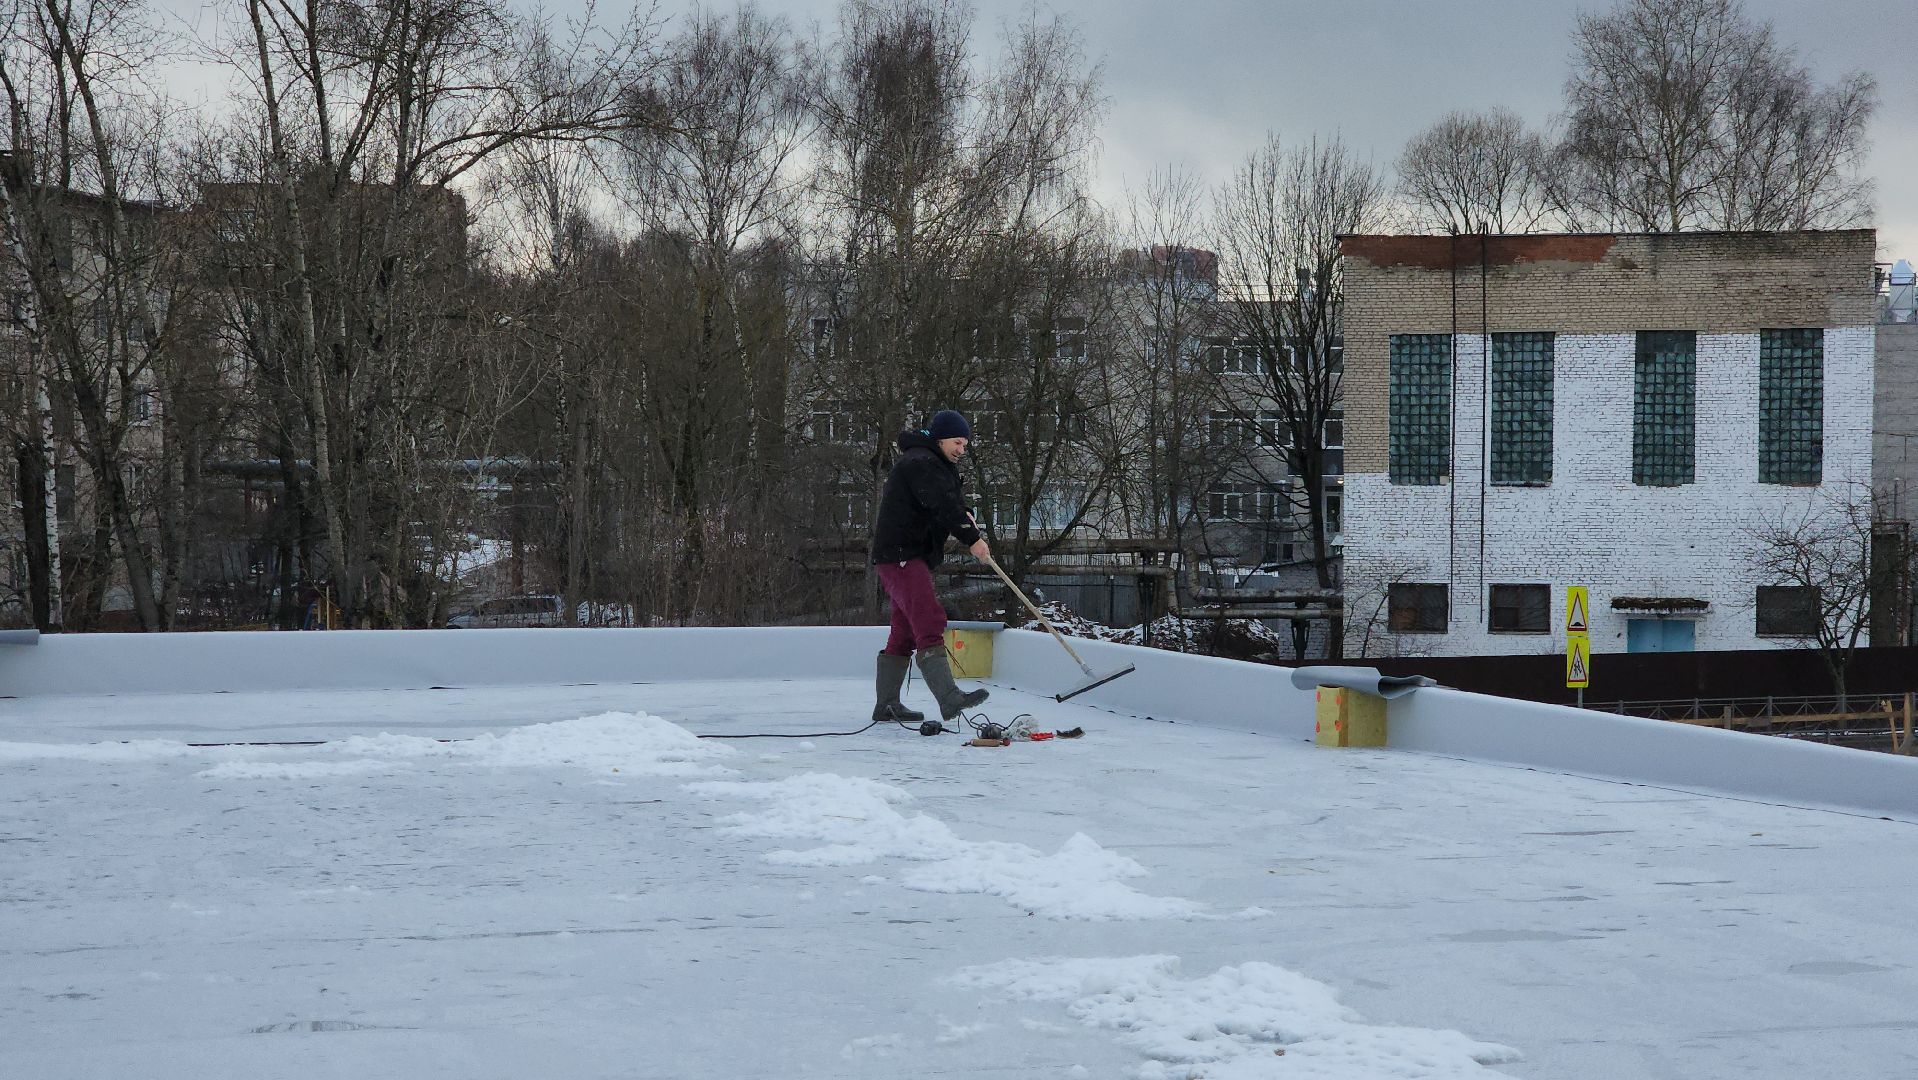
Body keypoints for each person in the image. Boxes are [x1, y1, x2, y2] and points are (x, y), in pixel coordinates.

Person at [869, 409, 991, 725]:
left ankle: (887, 705)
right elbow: (939, 502)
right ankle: (949, 697)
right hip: (901, 555)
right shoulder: (920, 463)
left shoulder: (931, 463)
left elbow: (948, 499)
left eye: (965, 444)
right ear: (940, 438)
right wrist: (972, 538)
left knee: (905, 631)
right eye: (957, 442)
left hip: (904, 554)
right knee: (928, 618)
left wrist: (965, 513)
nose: (961, 450)